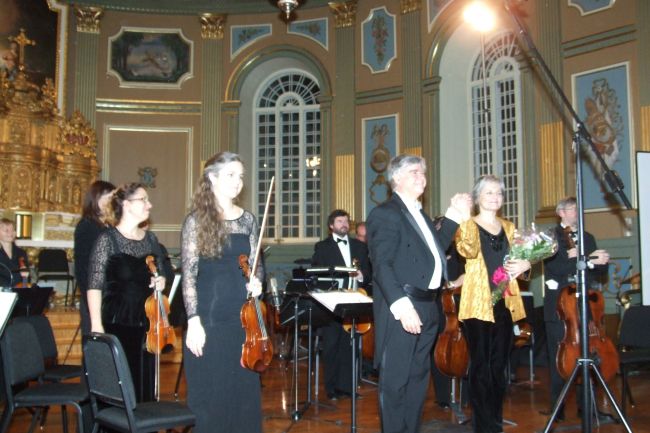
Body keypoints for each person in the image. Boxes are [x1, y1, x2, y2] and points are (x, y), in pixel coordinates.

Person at [366, 154, 472, 433]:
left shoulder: (420, 213)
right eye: (414, 172)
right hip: (405, 306)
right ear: (396, 178)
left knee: (417, 380)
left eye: (423, 173)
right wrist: (402, 307)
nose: (421, 177)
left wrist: (453, 215)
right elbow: (382, 265)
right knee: (395, 383)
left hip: (427, 306)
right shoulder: (385, 213)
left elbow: (434, 250)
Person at [181, 152, 264, 433]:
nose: (238, 182)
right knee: (212, 398)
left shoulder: (248, 220)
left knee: (244, 397)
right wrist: (193, 321)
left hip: (243, 321)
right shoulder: (196, 221)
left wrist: (258, 283)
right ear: (212, 178)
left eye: (241, 176)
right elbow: (189, 275)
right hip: (209, 318)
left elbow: (256, 266)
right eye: (231, 175)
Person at [455, 174, 531, 433]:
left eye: (498, 192)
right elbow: (468, 251)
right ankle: (482, 426)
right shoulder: (468, 225)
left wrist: (527, 264)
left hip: (505, 302)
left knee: (499, 367)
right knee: (481, 366)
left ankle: (495, 424)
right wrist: (465, 218)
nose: (495, 197)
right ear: (477, 198)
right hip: (477, 305)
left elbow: (521, 262)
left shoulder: (510, 228)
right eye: (489, 192)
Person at [87, 183, 166, 403]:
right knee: (120, 388)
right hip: (117, 323)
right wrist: (96, 326)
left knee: (144, 388)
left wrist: (161, 281)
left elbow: (161, 271)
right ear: (126, 204)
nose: (149, 205)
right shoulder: (107, 240)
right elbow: (94, 284)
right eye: (143, 199)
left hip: (147, 323)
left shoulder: (150, 240)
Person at [542, 196, 610, 421]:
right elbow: (555, 267)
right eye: (571, 209)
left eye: (577, 208)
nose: (576, 212)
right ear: (561, 212)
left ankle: (587, 407)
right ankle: (557, 409)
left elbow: (597, 272)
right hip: (559, 307)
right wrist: (584, 260)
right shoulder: (551, 237)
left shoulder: (588, 237)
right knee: (560, 357)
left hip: (583, 306)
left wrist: (600, 262)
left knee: (588, 355)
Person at [312, 209, 372, 400]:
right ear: (331, 226)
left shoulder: (360, 247)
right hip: (332, 303)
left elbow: (369, 273)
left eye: (346, 221)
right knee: (331, 346)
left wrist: (362, 276)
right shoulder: (322, 247)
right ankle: (331, 389)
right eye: (339, 221)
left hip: (353, 301)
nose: (344, 224)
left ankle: (347, 387)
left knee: (350, 346)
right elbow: (317, 274)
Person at [74, 180, 115, 335]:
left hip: (109, 297)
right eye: (108, 197)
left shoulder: (110, 227)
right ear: (96, 199)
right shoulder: (87, 225)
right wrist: (92, 300)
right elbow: (83, 268)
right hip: (95, 297)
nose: (112, 202)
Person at [0, 218, 29, 287]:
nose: (10, 233)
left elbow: (25, 279)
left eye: (12, 230)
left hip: (18, 290)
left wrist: (25, 276)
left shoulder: (21, 253)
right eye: (6, 230)